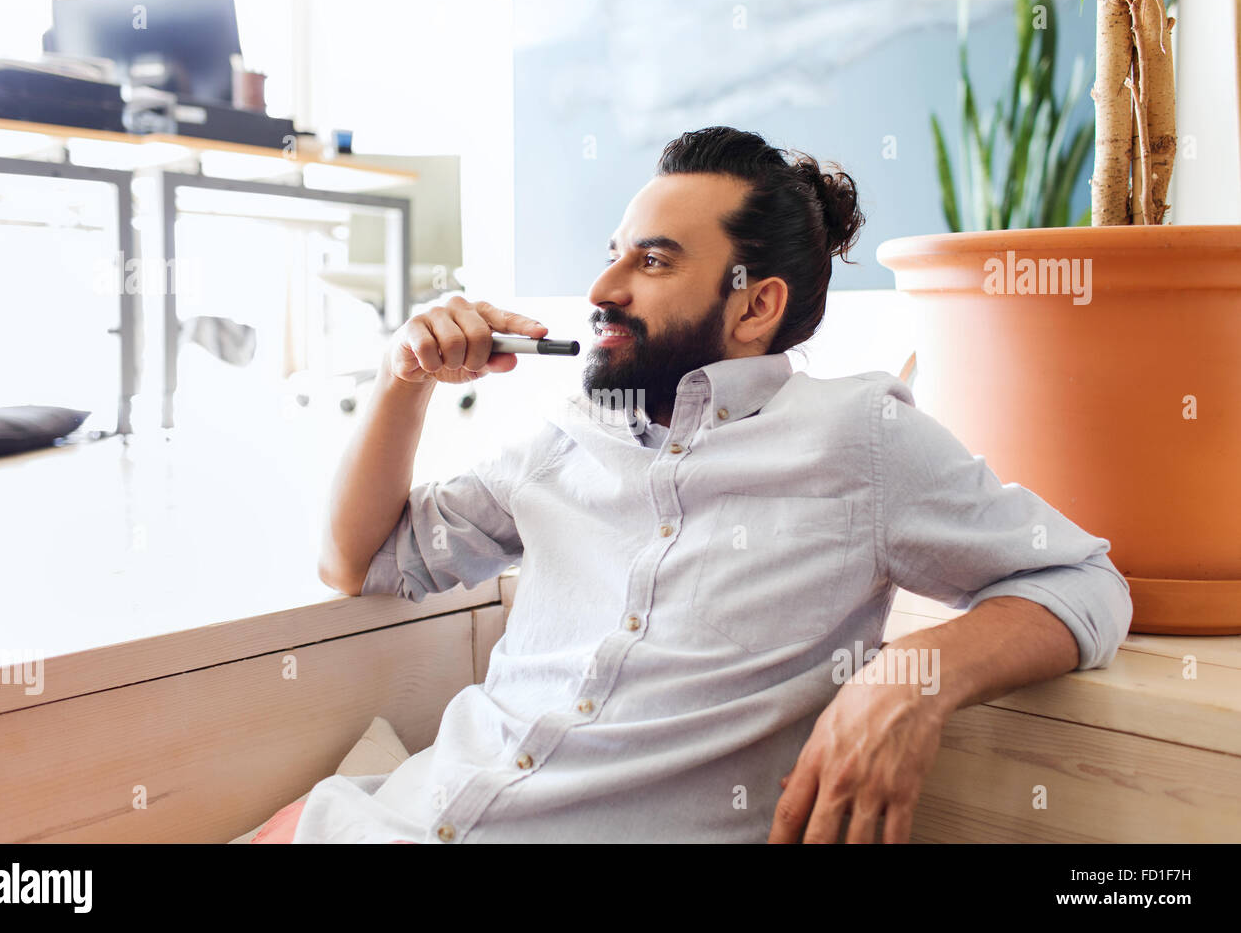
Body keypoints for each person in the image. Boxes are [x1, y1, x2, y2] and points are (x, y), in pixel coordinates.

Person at [287, 125, 1131, 844]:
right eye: (614, 255)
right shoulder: (565, 437)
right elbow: (359, 560)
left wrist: (910, 678)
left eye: (651, 262)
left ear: (755, 307)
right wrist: (404, 377)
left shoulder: (858, 437)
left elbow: (1083, 579)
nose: (603, 290)